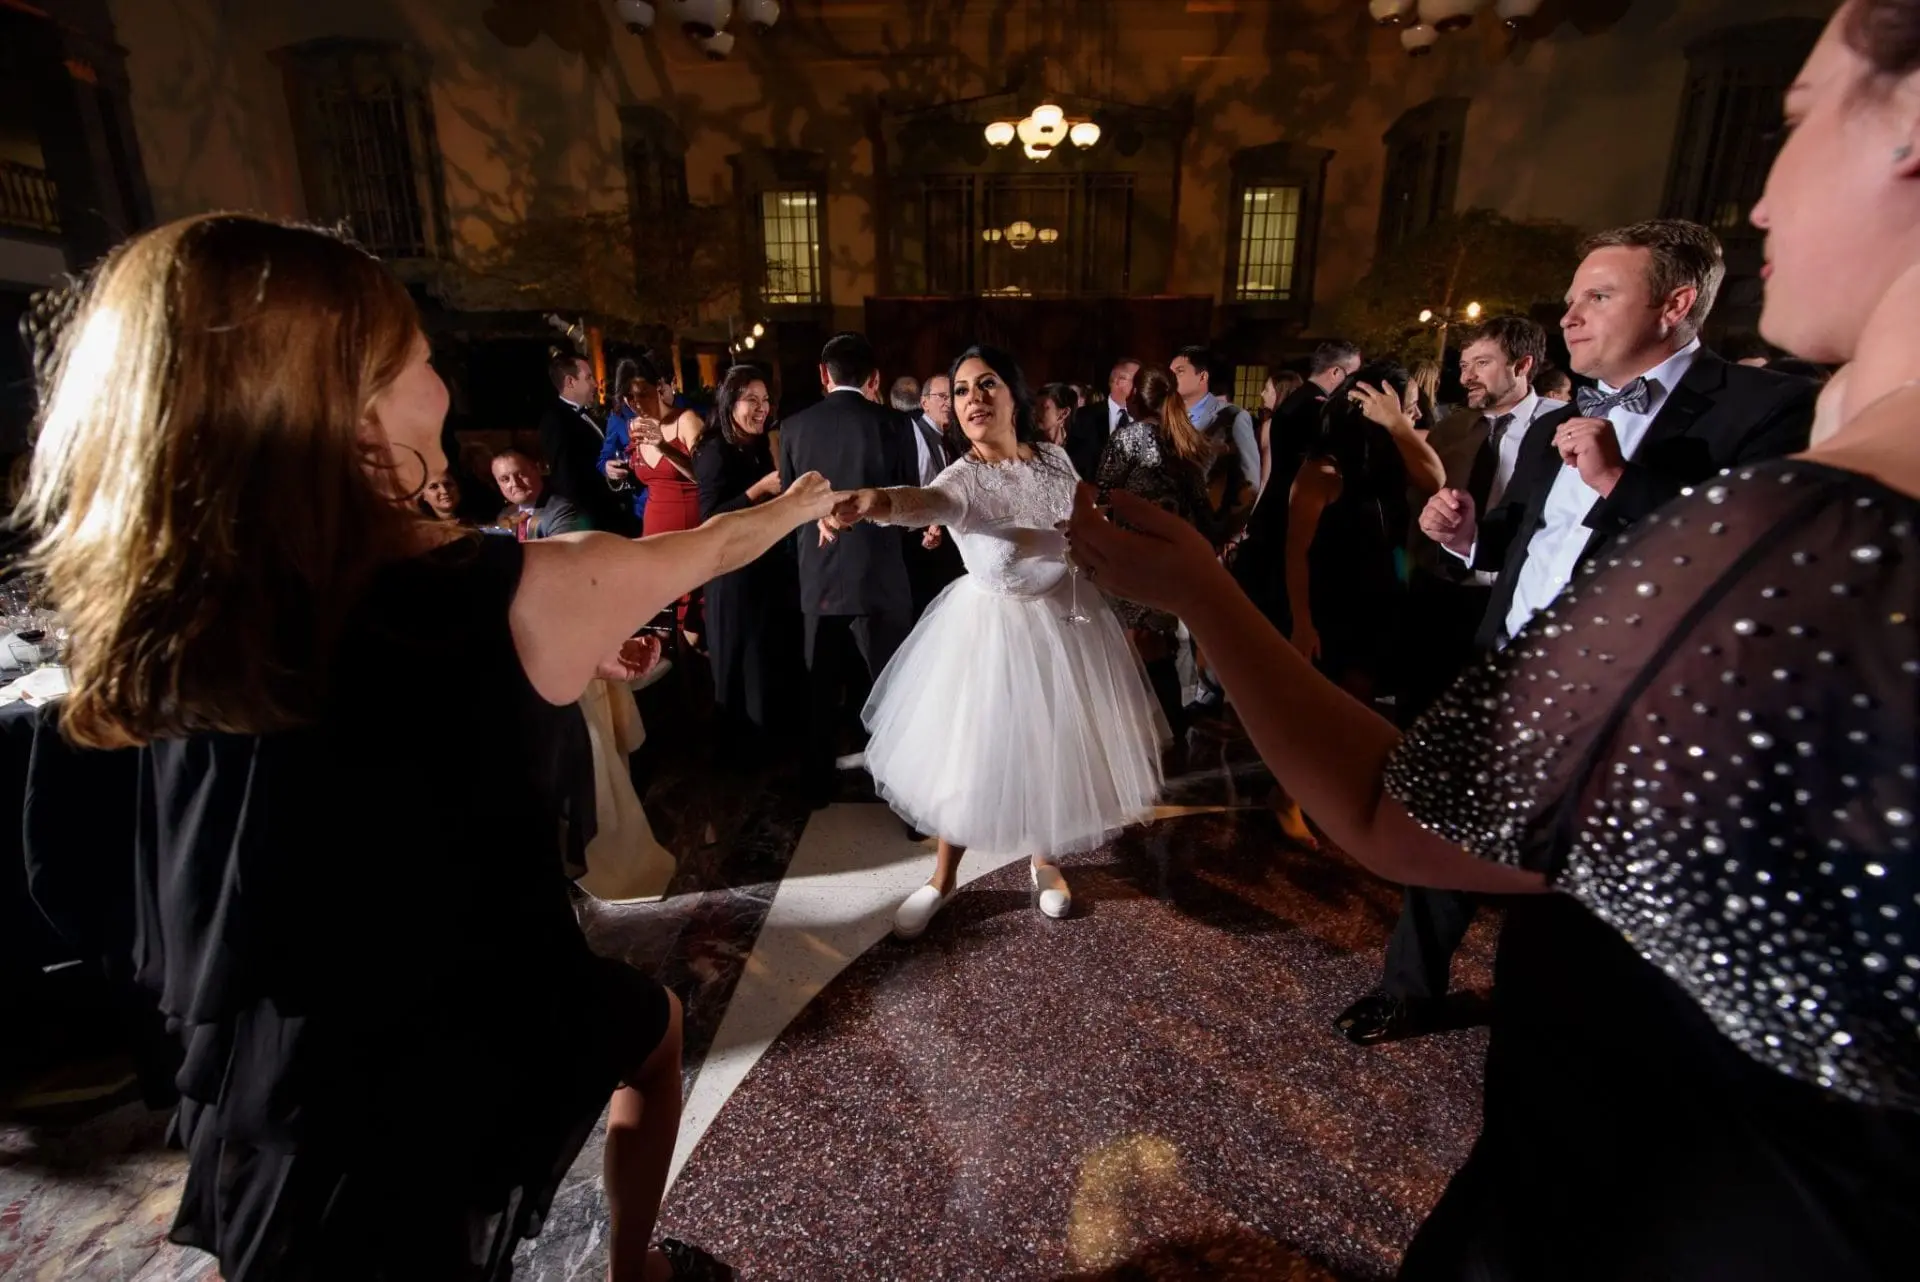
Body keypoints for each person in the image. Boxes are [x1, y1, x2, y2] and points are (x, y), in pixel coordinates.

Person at [1070, 8, 1920, 1271]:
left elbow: (1386, 803)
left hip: (1661, 1208)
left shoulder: (1815, 533)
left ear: (1907, 127)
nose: (1758, 203)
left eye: (1792, 120)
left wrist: (1203, 594)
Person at [17, 213, 844, 1282]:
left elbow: (85, 863)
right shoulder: (493, 592)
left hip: (273, 1056)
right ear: (341, 404)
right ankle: (634, 1270)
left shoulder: (167, 605)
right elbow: (715, 544)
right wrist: (810, 502)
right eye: (415, 357)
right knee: (634, 1044)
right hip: (438, 1035)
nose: (442, 381)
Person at [1335, 219, 1821, 1047]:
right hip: (1512, 663)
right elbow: (1525, 538)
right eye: (1570, 298)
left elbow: (1749, 566)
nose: (1571, 315)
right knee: (1450, 823)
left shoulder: (1764, 410)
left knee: (1588, 890)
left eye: (1599, 296)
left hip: (1636, 695)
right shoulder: (1567, 409)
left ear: (1675, 304)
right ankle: (1410, 987)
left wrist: (1616, 481)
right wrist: (1461, 534)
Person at [826, 346, 1165, 940]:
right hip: (989, 633)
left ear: (1013, 394)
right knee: (972, 753)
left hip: (1065, 622)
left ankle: (1044, 860)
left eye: (986, 385)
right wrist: (867, 504)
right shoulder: (963, 480)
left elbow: (1083, 522)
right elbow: (917, 501)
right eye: (960, 391)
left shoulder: (1055, 458)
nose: (972, 399)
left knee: (1050, 746)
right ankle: (941, 878)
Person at [777, 332, 917, 803]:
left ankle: (816, 788)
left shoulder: (794, 427)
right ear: (874, 377)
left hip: (819, 576)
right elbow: (906, 498)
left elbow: (788, 508)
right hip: (878, 575)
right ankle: (902, 797)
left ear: (824, 374)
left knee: (819, 691)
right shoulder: (895, 425)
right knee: (892, 691)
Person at [1283, 362, 1443, 704]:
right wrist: (1302, 622)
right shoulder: (1323, 472)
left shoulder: (1388, 462)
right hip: (1337, 609)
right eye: (1409, 405)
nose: (1417, 413)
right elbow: (1296, 552)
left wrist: (1398, 425)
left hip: (1383, 606)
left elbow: (1435, 481)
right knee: (1335, 707)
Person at [1095, 365, 1212, 735]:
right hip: (1172, 558)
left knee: (1137, 648)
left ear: (1133, 399)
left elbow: (1103, 495)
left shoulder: (1127, 440)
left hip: (1133, 557)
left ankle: (1149, 735)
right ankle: (1170, 732)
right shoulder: (1185, 440)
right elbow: (1201, 507)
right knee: (1158, 645)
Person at [694, 365, 800, 747]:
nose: (762, 409)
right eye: (751, 400)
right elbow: (709, 519)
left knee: (764, 656)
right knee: (738, 658)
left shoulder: (754, 446)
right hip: (731, 573)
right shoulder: (714, 450)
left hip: (763, 566)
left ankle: (767, 742)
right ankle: (737, 750)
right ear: (729, 401)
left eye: (766, 400)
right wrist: (758, 491)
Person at [1170, 345, 1260, 537]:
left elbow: (1249, 483)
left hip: (1207, 529)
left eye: (1179, 371)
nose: (1171, 378)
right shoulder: (1167, 416)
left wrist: (1226, 531)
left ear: (1202, 377)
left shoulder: (1231, 417)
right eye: (1169, 372)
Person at [538, 351, 623, 532]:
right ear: (570, 381)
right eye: (589, 377)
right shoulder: (556, 420)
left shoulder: (587, 414)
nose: (594, 383)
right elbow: (566, 476)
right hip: (593, 520)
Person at [598, 358, 652, 531]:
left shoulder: (669, 407)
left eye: (642, 393)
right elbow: (604, 457)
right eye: (629, 396)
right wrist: (607, 467)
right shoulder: (619, 417)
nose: (636, 402)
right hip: (642, 504)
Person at [1066, 357, 1140, 481]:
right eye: (1138, 381)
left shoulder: (1145, 419)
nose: (1142, 386)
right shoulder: (1083, 417)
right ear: (1119, 381)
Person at [492, 448, 587, 540]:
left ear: (537, 469)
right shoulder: (505, 514)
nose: (514, 483)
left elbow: (559, 552)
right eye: (505, 479)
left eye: (521, 474)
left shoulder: (561, 510)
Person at [1255, 367, 1305, 495]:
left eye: (1266, 390)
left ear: (1280, 393)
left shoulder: (1271, 426)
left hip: (1277, 492)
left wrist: (1257, 507)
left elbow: (1266, 476)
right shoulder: (1303, 423)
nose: (1262, 394)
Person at [1036, 382, 1078, 446]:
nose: (1035, 411)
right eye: (1036, 406)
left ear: (1064, 413)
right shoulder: (1029, 444)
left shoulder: (1076, 448)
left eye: (1043, 407)